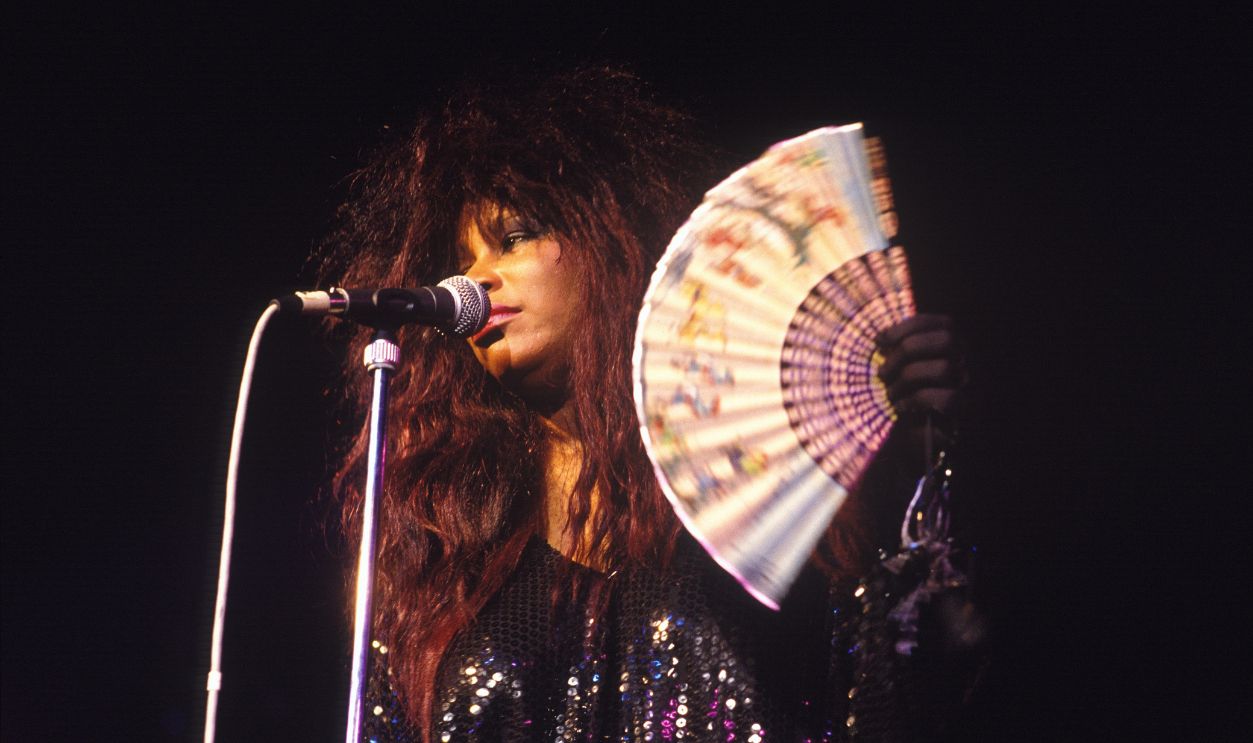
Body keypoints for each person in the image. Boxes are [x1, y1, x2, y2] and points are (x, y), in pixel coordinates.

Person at [317, 66, 973, 742]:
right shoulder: (443, 550)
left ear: (609, 245)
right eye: (464, 256)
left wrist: (919, 456)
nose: (475, 276)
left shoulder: (754, 495)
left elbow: (894, 693)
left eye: (514, 237)